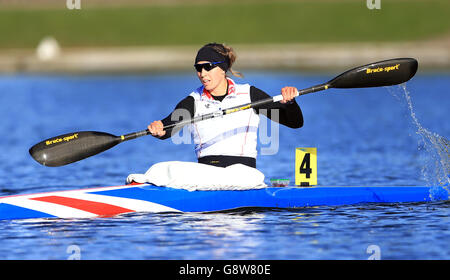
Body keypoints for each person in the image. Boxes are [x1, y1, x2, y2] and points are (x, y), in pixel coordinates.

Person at [148, 43, 303, 168]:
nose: (202, 73)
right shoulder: (193, 101)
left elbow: (294, 123)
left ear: (223, 69)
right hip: (206, 174)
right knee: (162, 168)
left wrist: (290, 102)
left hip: (244, 175)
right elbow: (170, 126)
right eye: (198, 68)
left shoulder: (250, 94)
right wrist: (159, 128)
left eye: (208, 67)